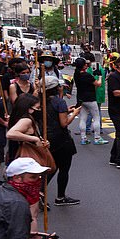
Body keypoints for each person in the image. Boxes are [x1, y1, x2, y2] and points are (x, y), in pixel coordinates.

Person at [5, 94, 46, 229]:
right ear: (29, 109)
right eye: (37, 108)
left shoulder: (18, 118)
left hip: (17, 165)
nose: (39, 110)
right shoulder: (26, 120)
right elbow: (11, 134)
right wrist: (33, 139)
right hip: (25, 166)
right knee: (31, 212)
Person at [43, 75, 81, 206]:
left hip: (46, 137)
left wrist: (67, 111)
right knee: (62, 168)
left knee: (50, 167)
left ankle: (40, 193)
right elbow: (64, 123)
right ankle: (59, 196)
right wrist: (74, 114)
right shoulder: (59, 102)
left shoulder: (40, 100)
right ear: (56, 88)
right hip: (61, 139)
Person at [73, 57, 105, 145]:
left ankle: (83, 138)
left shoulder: (76, 74)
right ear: (83, 66)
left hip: (81, 99)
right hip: (90, 98)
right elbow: (98, 84)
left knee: (83, 118)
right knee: (96, 117)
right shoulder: (86, 75)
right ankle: (97, 138)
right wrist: (100, 77)